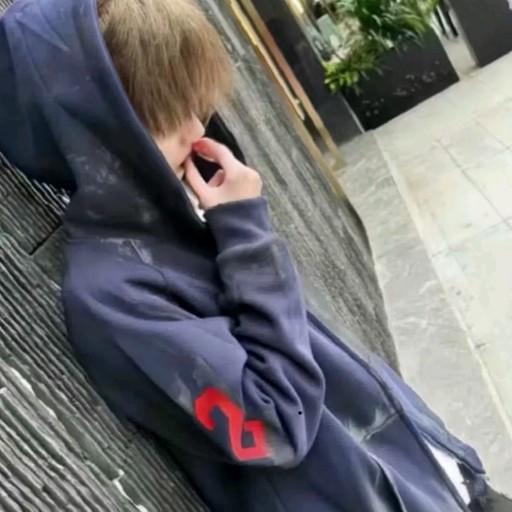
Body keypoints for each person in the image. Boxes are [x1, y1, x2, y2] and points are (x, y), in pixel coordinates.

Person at [0, 0, 509, 511]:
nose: (195, 129)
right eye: (165, 112)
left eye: (190, 102)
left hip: (442, 481)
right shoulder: (111, 297)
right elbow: (276, 427)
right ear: (91, 130)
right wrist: (246, 234)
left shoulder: (182, 220)